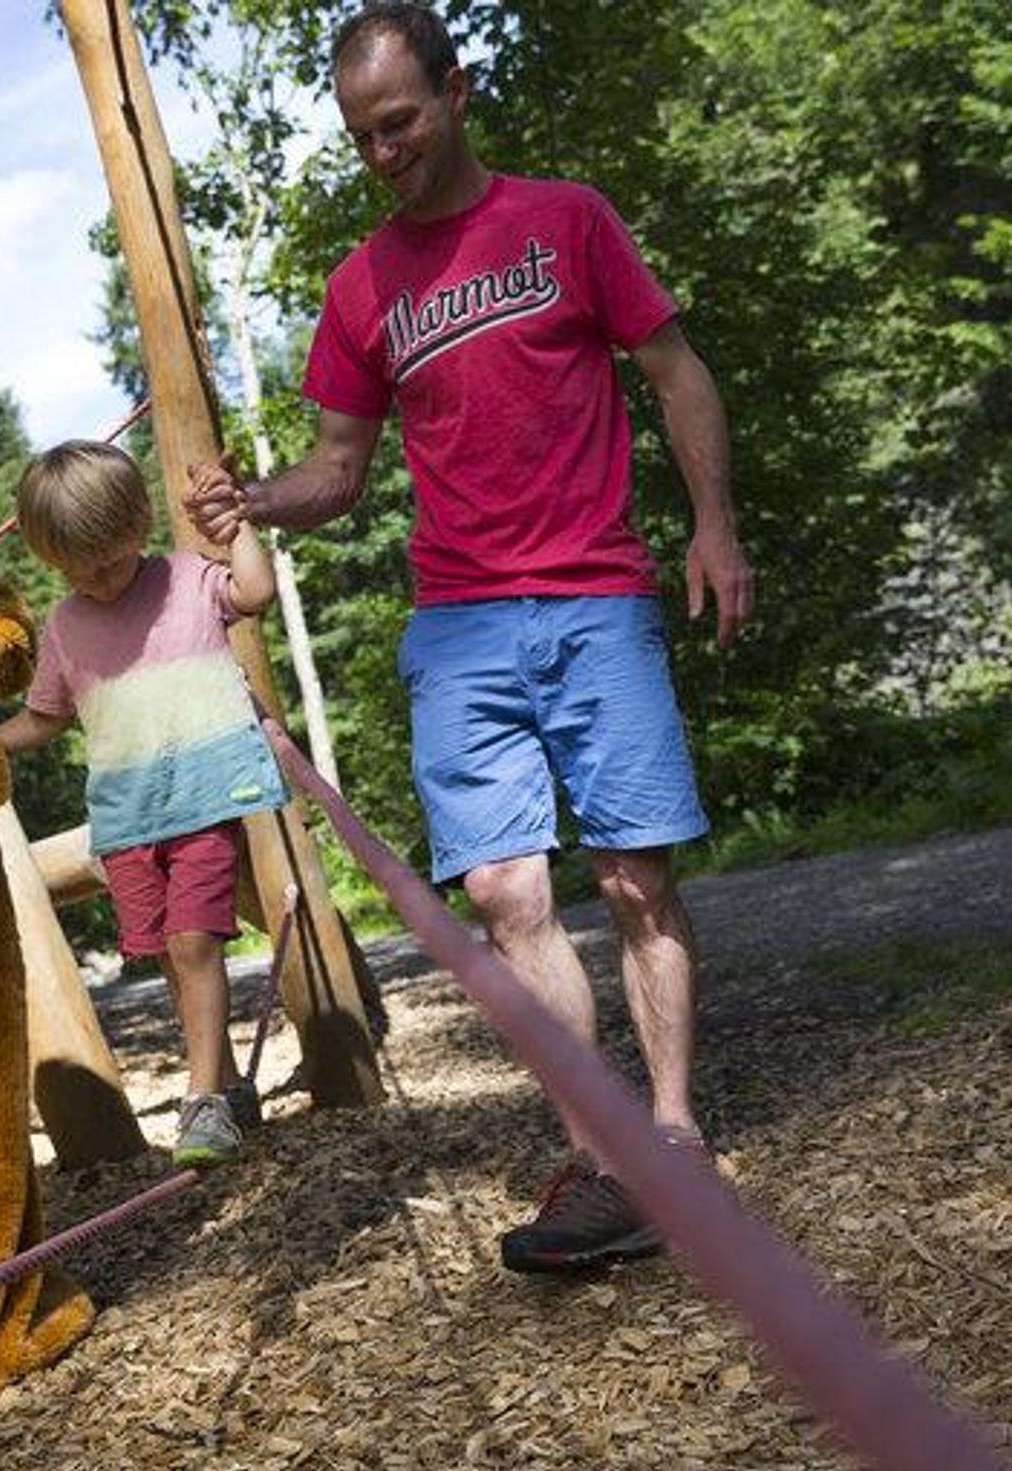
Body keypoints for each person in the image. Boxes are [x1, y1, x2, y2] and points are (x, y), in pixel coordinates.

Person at [184, 2, 754, 1273]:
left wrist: (712, 527)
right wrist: (253, 500)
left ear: (455, 91)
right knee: (503, 893)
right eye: (359, 136)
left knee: (634, 880)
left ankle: (670, 1130)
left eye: (398, 123)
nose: (381, 153)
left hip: (596, 593)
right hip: (458, 623)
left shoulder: (566, 222)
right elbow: (337, 469)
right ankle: (606, 1163)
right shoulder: (359, 287)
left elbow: (674, 371)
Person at [0, 440, 286, 1168]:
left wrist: (235, 528)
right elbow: (45, 718)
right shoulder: (65, 627)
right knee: (167, 955)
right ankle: (223, 1083)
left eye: (110, 559)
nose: (99, 579)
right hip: (127, 816)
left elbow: (254, 593)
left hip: (204, 797)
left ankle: (202, 1101)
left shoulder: (187, 580)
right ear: (51, 559)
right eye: (79, 568)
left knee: (194, 944)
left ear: (139, 524)